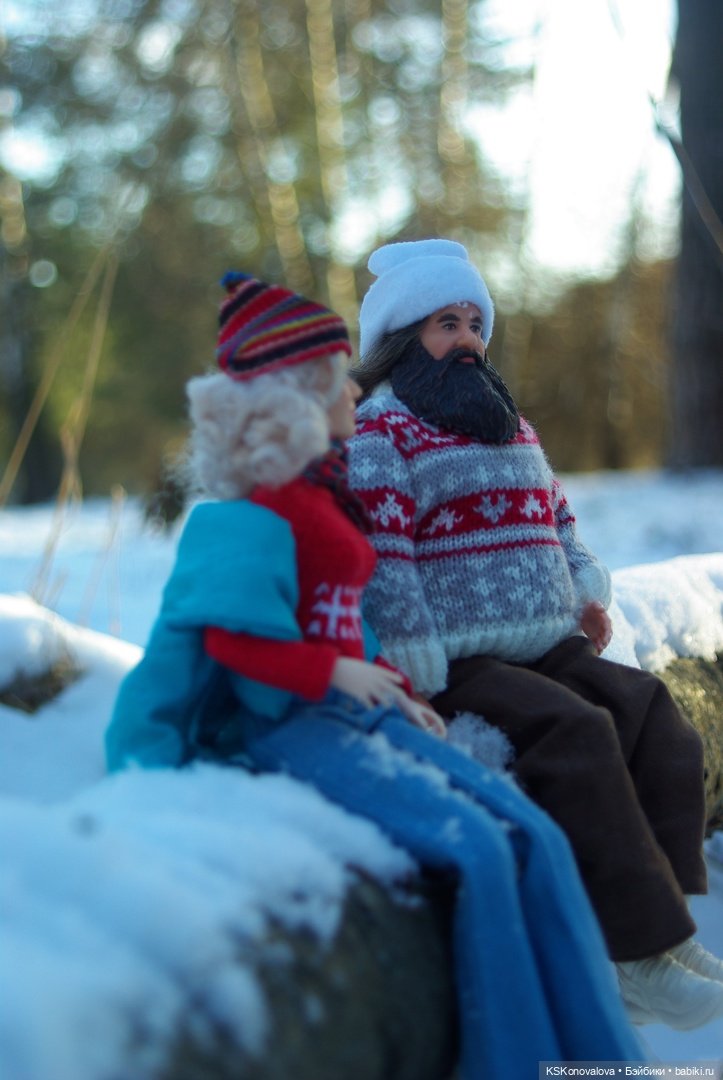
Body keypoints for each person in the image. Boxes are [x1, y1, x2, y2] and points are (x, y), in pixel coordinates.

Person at [106, 272, 646, 1076]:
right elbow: (235, 652)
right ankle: (514, 1056)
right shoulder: (239, 520)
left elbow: (352, 612)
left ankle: (593, 1052)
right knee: (477, 846)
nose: (355, 398)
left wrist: (387, 678)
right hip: (297, 725)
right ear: (294, 399)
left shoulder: (325, 499)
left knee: (528, 829)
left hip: (363, 708)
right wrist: (340, 675)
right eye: (336, 384)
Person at [347, 237, 723, 1032]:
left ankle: (662, 930)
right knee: (576, 733)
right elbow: (385, 553)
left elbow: (560, 520)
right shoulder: (384, 432)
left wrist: (584, 582)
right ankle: (631, 949)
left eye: (474, 321)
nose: (467, 339)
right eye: (445, 322)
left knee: (653, 715)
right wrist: (414, 652)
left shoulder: (506, 423)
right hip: (461, 652)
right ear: (401, 336)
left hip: (547, 634)